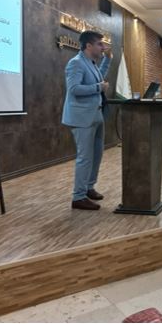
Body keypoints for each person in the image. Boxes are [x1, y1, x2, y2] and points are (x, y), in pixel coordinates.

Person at [62, 31, 112, 211]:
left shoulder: (90, 63)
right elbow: (74, 89)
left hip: (96, 115)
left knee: (96, 155)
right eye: (99, 44)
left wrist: (108, 59)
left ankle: (89, 187)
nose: (103, 47)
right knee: (85, 157)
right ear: (88, 46)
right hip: (82, 118)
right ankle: (78, 197)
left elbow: (100, 78)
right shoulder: (75, 63)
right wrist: (98, 87)